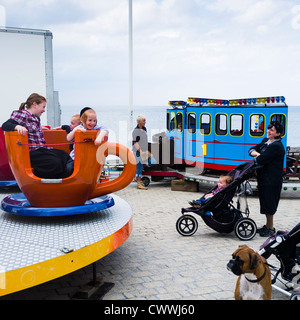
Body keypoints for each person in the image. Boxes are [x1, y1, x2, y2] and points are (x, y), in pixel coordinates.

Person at [1, 93, 72, 179]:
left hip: (42, 149)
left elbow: (30, 126)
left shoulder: (35, 117)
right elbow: (6, 125)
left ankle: (66, 177)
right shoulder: (22, 114)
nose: (44, 110)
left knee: (64, 155)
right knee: (55, 163)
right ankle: (53, 180)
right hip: (33, 153)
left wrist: (40, 128)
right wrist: (17, 126)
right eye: (43, 106)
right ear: (35, 104)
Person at [249, 121, 285, 237]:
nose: (268, 131)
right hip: (264, 178)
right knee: (264, 202)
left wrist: (257, 155)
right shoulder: (266, 141)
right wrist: (256, 153)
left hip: (272, 179)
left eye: (272, 130)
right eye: (269, 129)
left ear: (278, 133)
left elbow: (260, 160)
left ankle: (270, 228)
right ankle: (268, 226)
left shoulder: (277, 146)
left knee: (269, 203)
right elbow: (252, 149)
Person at [66, 108, 108, 172]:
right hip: (75, 157)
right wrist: (75, 131)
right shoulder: (79, 128)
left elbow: (105, 130)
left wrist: (99, 138)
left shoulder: (95, 128)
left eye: (94, 121)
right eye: (90, 120)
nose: (92, 123)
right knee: (69, 168)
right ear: (82, 120)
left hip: (90, 157)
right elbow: (68, 138)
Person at [132, 115, 156, 190]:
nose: (145, 122)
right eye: (144, 120)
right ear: (139, 121)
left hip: (145, 151)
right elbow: (135, 143)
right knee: (139, 167)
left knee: (153, 161)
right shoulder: (136, 131)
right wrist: (141, 151)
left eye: (145, 120)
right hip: (138, 151)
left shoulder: (144, 128)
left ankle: (145, 165)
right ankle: (139, 183)